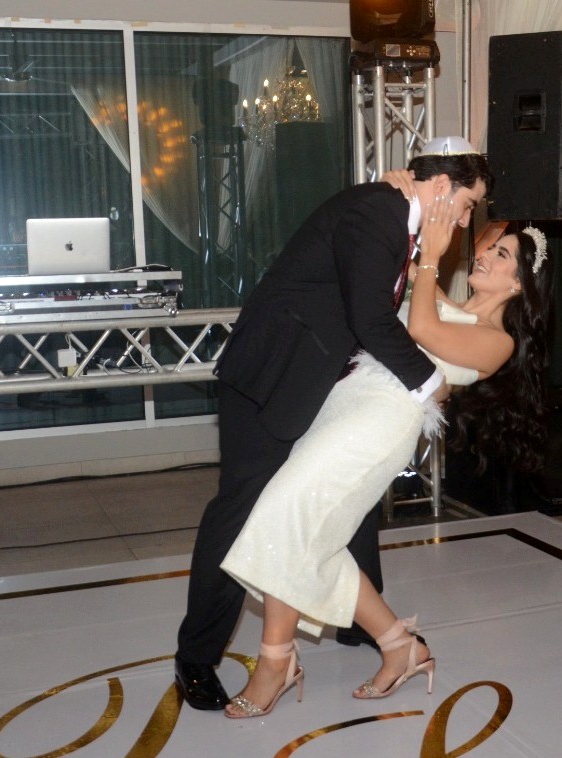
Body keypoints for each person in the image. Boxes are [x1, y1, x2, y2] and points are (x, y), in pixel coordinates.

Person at [174, 137, 494, 711]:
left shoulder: (398, 213)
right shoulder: (380, 211)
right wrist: (429, 385)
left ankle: (363, 626)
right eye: (470, 204)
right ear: (443, 187)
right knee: (241, 509)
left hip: (321, 385)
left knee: (351, 505)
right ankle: (196, 657)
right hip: (272, 379)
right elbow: (370, 316)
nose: (471, 220)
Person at [217, 202, 553, 717]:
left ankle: (276, 662)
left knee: (286, 516)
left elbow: (417, 330)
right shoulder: (445, 299)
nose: (484, 253)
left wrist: (432, 260)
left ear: (518, 285)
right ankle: (401, 646)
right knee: (312, 537)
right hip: (344, 408)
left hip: (379, 428)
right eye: (489, 246)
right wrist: (404, 200)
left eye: (501, 253)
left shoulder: (497, 343)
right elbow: (394, 298)